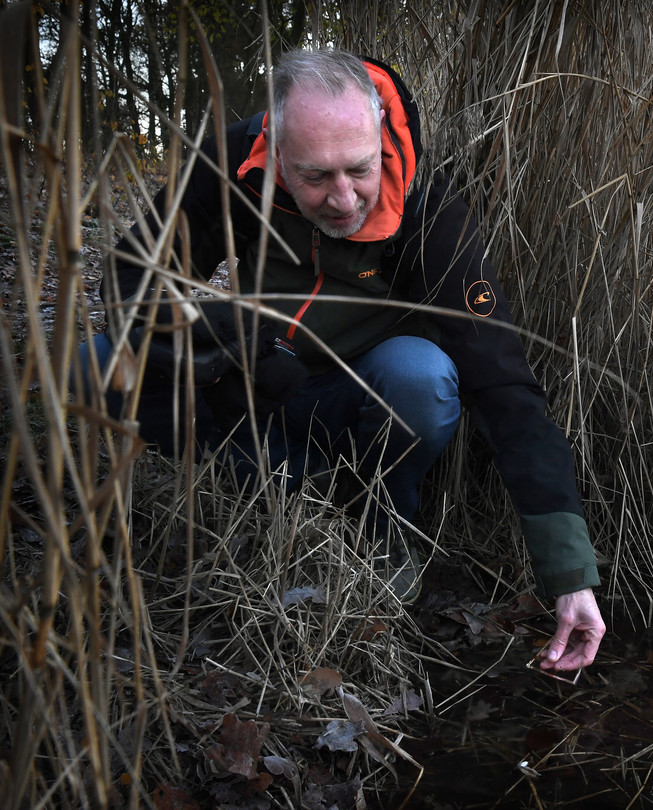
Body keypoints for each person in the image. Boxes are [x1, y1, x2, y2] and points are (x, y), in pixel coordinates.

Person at [81, 48, 604, 672]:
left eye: (358, 170)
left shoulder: (430, 215)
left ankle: (380, 522)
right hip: (256, 390)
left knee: (423, 376)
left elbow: (505, 386)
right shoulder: (231, 163)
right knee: (98, 364)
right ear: (276, 153)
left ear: (380, 132)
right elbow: (133, 275)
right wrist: (217, 344)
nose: (342, 197)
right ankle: (276, 491)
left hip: (364, 396)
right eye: (314, 176)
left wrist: (569, 574)